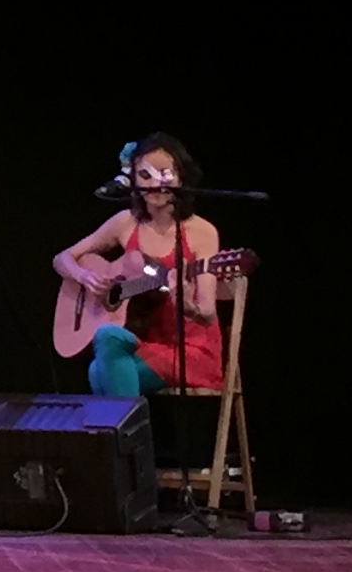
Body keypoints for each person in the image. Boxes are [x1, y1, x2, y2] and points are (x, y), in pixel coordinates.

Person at [50, 133, 224, 395]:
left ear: (181, 178)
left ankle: (129, 423)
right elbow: (62, 258)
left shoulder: (202, 232)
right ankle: (133, 422)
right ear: (133, 180)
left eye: (165, 174)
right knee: (105, 341)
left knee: (99, 367)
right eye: (145, 175)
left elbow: (208, 312)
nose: (155, 184)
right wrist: (84, 276)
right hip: (144, 344)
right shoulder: (125, 222)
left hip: (191, 351)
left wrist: (186, 305)